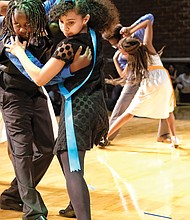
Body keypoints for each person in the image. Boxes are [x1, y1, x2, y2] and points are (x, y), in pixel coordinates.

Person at [6, 0, 120, 219]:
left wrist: (20, 52)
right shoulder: (95, 36)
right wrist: (73, 68)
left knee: (72, 167)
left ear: (85, 19)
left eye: (70, 22)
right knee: (70, 157)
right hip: (97, 107)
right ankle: (73, 206)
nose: (65, 28)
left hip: (78, 109)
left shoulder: (68, 46)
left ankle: (82, 215)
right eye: (61, 22)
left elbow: (40, 78)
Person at [104, 18, 180, 149]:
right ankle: (173, 137)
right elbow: (148, 22)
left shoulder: (133, 61)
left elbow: (122, 75)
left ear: (128, 52)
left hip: (150, 83)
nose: (120, 53)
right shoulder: (147, 46)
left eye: (122, 52)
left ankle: (105, 137)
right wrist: (131, 29)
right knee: (168, 111)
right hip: (164, 80)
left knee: (128, 113)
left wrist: (116, 59)